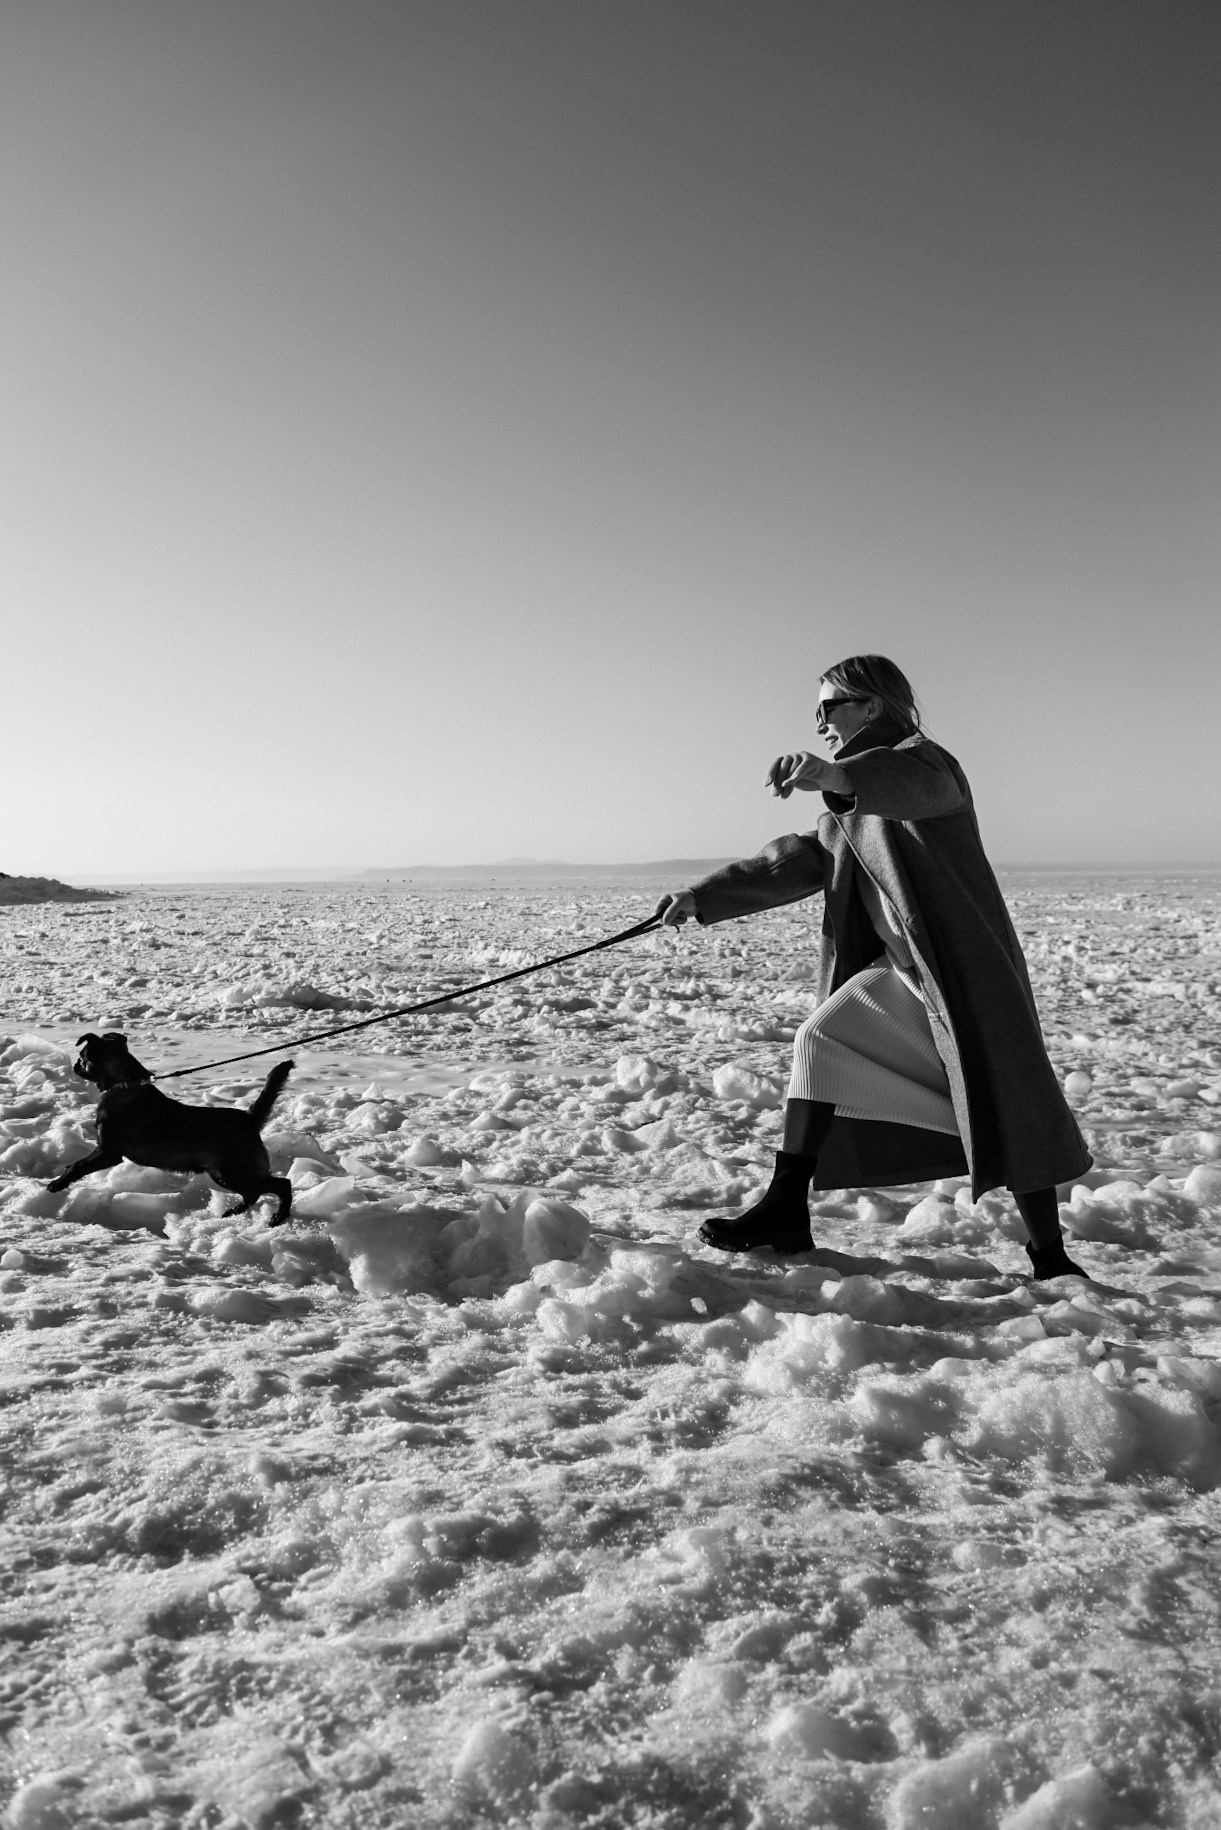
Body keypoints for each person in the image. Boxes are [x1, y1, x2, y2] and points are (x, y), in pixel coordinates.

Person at [655, 653, 1090, 1279]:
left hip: (960, 974)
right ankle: (785, 1208)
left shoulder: (927, 764)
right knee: (824, 1042)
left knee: (1008, 1102)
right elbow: (800, 860)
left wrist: (834, 773)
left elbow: (910, 788)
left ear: (872, 705)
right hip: (905, 972)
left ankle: (1050, 1257)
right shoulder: (845, 805)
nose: (820, 723)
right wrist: (703, 897)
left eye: (829, 708)